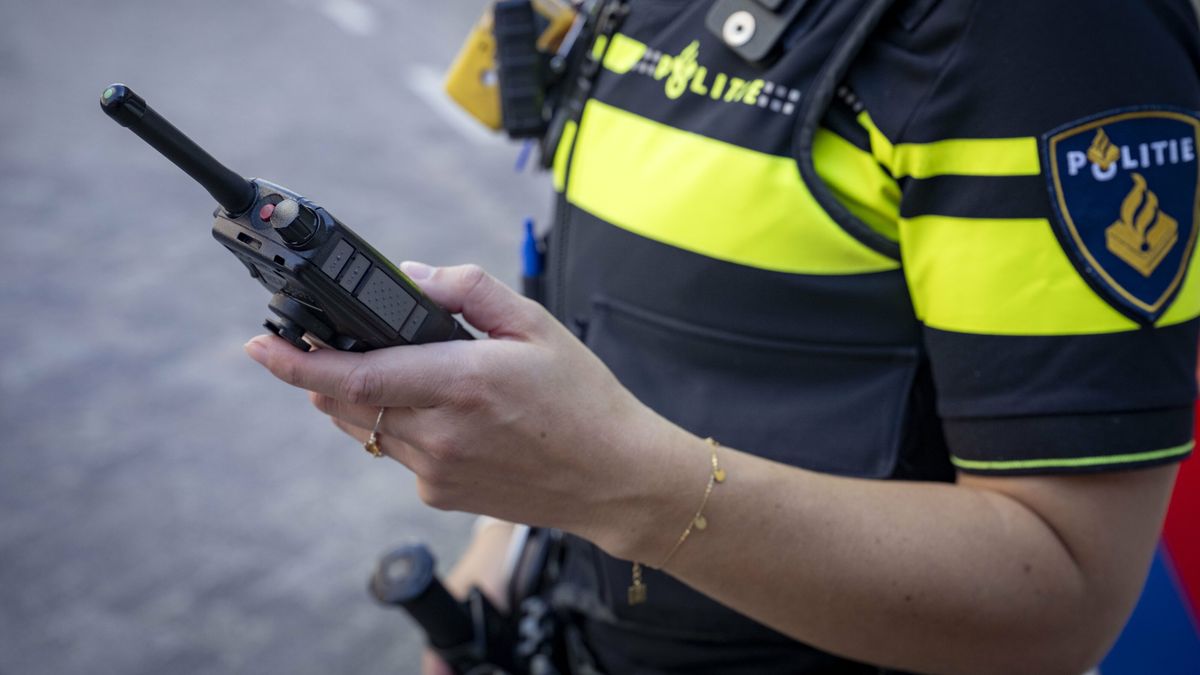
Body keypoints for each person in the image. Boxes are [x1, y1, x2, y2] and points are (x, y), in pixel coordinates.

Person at [244, 1, 1200, 672]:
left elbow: (1064, 594)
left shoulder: (1056, 27)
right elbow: (608, 334)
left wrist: (614, 483)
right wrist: (497, 566)